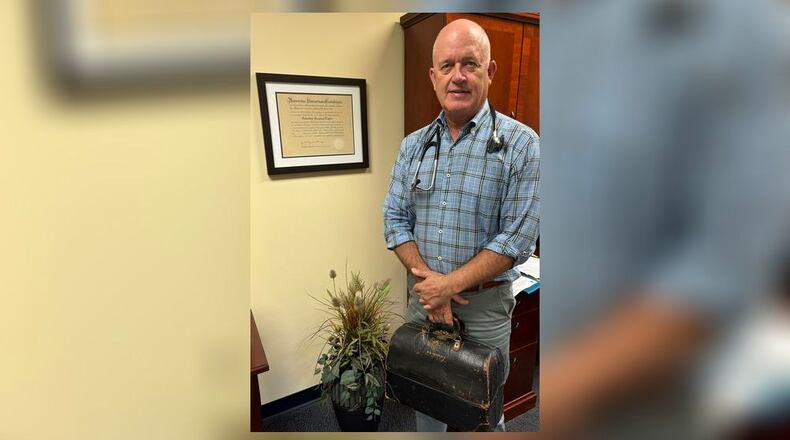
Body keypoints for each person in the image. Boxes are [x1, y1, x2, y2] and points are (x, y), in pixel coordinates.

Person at [383, 18, 540, 432]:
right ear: (432, 77)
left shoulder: (522, 145)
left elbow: (518, 239)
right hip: (424, 302)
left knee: (481, 416)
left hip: (485, 310)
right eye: (447, 66)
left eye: (469, 64)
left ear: (489, 72)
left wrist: (447, 287)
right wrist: (433, 289)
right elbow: (395, 220)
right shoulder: (413, 146)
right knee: (427, 400)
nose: (457, 76)